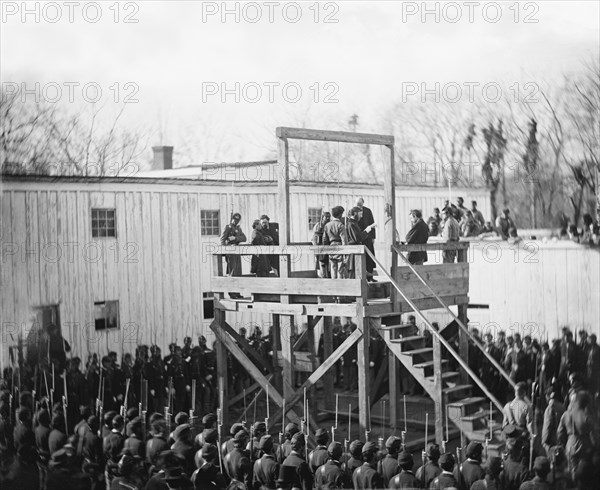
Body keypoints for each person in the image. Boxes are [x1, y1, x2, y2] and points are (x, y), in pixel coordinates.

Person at [557, 390, 595, 479]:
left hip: (570, 443)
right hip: (584, 443)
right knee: (584, 470)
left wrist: (563, 444)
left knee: (572, 469)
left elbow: (560, 433)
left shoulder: (566, 414)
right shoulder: (587, 415)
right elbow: (593, 435)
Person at [344, 207, 376, 280]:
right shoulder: (351, 224)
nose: (361, 216)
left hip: (355, 251)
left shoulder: (354, 223)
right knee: (353, 272)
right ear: (355, 214)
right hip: (353, 251)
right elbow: (357, 238)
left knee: (357, 271)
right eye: (360, 214)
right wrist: (366, 231)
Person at [220, 213, 247, 278]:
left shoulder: (238, 228)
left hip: (237, 251)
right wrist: (227, 248)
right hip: (230, 251)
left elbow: (244, 238)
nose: (236, 221)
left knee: (237, 270)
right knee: (232, 270)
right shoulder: (228, 227)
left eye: (237, 220)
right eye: (234, 220)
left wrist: (236, 238)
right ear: (232, 219)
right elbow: (222, 240)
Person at [356, 197, 377, 279]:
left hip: (368, 238)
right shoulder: (353, 211)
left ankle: (370, 277)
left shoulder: (367, 211)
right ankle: (361, 277)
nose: (359, 207)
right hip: (358, 238)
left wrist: (373, 237)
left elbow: (372, 223)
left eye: (361, 205)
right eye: (358, 205)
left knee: (370, 258)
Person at [322, 206, 346, 279]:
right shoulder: (341, 225)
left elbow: (324, 239)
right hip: (340, 247)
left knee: (333, 268)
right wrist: (346, 252)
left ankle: (334, 286)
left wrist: (327, 249)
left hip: (331, 247)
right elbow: (344, 240)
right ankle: (340, 286)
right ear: (340, 215)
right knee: (340, 269)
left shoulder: (327, 225)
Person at [312, 211, 331, 278]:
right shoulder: (318, 225)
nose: (328, 218)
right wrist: (315, 246)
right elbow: (314, 237)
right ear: (323, 217)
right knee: (320, 265)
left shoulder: (329, 225)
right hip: (319, 248)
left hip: (328, 248)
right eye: (326, 217)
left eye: (329, 217)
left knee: (328, 265)